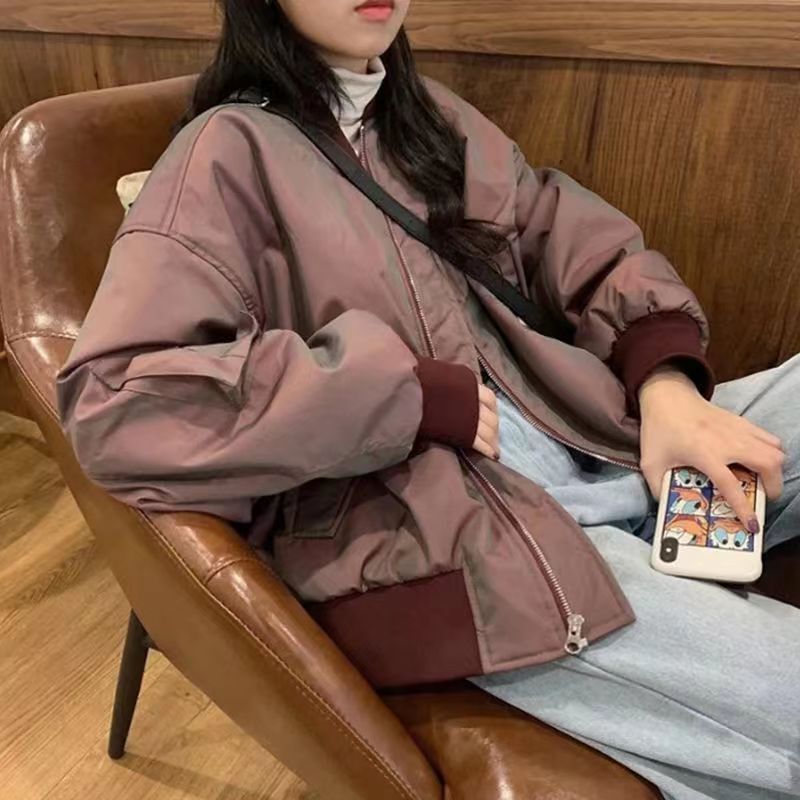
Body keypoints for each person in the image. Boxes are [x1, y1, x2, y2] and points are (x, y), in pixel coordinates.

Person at [55, 1, 799, 798]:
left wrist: (666, 385)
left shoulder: (429, 117)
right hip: (447, 525)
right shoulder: (224, 154)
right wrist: (403, 396)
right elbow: (116, 402)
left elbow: (570, 234)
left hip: (585, 434)